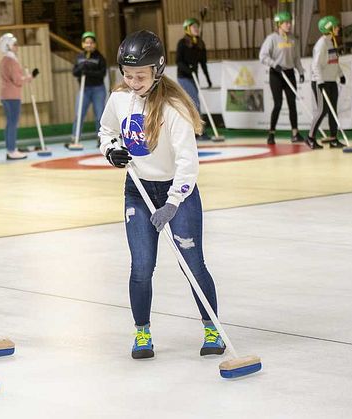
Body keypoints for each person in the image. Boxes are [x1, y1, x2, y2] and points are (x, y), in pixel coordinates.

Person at [98, 30, 226, 360]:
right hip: (138, 192)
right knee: (141, 266)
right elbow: (107, 131)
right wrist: (111, 150)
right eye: (127, 75)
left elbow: (188, 162)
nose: (132, 81)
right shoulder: (119, 99)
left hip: (176, 194)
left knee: (192, 264)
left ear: (157, 69)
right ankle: (142, 333)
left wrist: (172, 203)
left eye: (139, 76)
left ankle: (212, 328)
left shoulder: (174, 107)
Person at [259, 11, 306, 145]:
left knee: (292, 104)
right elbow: (263, 56)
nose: (289, 25)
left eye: (290, 22)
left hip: (290, 73)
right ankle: (271, 134)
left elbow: (296, 58)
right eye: (286, 23)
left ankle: (295, 134)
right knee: (278, 104)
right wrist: (274, 64)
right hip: (276, 74)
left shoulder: (293, 39)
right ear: (279, 24)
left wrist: (301, 72)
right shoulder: (272, 39)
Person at [306, 16, 346, 150]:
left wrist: (340, 74)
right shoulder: (321, 44)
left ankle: (333, 139)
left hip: (331, 81)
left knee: (333, 110)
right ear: (329, 28)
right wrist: (320, 82)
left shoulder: (332, 41)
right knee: (321, 110)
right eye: (336, 26)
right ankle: (310, 137)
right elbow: (315, 66)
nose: (338, 28)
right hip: (320, 82)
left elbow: (334, 61)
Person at [0, 33, 38, 159]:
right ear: (8, 46)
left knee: (10, 123)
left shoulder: (5, 60)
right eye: (14, 44)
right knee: (12, 123)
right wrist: (30, 77)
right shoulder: (11, 61)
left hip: (7, 95)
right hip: (12, 96)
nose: (17, 46)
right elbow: (18, 80)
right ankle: (11, 150)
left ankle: (11, 148)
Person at [176, 18, 213, 141]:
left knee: (193, 103)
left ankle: (194, 130)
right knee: (195, 103)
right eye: (194, 27)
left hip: (194, 78)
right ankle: (199, 131)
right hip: (184, 77)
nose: (196, 29)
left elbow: (203, 63)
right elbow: (178, 61)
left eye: (197, 27)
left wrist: (208, 79)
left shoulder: (200, 44)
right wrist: (188, 70)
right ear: (187, 29)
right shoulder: (182, 43)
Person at [71, 31, 108, 144]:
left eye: (91, 43)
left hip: (98, 89)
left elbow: (102, 74)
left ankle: (101, 139)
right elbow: (75, 72)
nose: (89, 45)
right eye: (86, 43)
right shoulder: (80, 57)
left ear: (94, 44)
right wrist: (81, 68)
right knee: (79, 114)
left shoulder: (99, 57)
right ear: (83, 44)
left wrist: (88, 71)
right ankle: (75, 138)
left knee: (99, 116)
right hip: (84, 90)